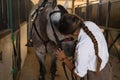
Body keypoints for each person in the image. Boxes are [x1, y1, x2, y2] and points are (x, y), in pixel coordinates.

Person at [56, 13, 112, 80]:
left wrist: (64, 58)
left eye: (67, 35)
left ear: (75, 33)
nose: (68, 37)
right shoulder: (90, 23)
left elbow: (79, 75)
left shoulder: (82, 47)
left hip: (96, 76)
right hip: (107, 68)